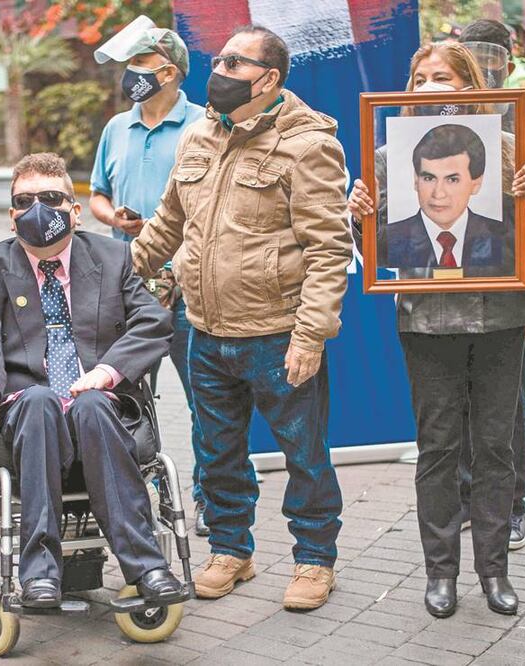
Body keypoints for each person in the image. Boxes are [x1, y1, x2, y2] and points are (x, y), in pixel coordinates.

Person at [132, 25, 351, 611]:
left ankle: (314, 559)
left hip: (278, 336)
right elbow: (167, 223)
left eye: (234, 63)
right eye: (220, 59)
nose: (219, 70)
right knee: (217, 451)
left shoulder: (309, 146)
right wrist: (112, 276)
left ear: (269, 79)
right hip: (204, 330)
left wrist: (311, 336)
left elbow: (330, 251)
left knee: (304, 455)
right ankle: (231, 550)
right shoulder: (202, 133)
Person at [348, 40, 525, 619]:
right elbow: (374, 249)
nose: (432, 86)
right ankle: (441, 573)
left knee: (495, 447)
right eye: (421, 76)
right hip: (427, 320)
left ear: (473, 86)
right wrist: (361, 212)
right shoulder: (385, 158)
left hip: (500, 318)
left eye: (444, 77)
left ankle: (494, 570)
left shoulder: (509, 148)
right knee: (438, 448)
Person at [0, 152, 184, 608]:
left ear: (75, 210)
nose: (38, 209)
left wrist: (105, 371)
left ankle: (146, 568)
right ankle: (39, 573)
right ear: (12, 216)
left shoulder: (113, 256)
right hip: (30, 414)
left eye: (52, 197)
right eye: (25, 200)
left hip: (99, 410)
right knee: (40, 401)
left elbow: (152, 322)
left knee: (93, 402)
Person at [88, 18, 209, 536]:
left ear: (171, 72)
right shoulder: (117, 128)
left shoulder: (206, 124)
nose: (131, 75)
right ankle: (147, 487)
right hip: (128, 284)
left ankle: (209, 496)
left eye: (140, 66)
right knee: (129, 394)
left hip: (190, 283)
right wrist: (112, 216)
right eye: (129, 66)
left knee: (204, 395)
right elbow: (96, 193)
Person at [456, 18, 525, 550]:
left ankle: (511, 505)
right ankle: (470, 496)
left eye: (494, 60)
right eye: (475, 60)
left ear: (510, 64)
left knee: (506, 400)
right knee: (460, 400)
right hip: (448, 280)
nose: (485, 71)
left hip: (507, 282)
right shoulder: (438, 116)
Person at [386, 124, 510, 272]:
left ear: (476, 183)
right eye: (429, 178)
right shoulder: (393, 236)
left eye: (452, 180)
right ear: (415, 180)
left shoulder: (500, 233)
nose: (438, 194)